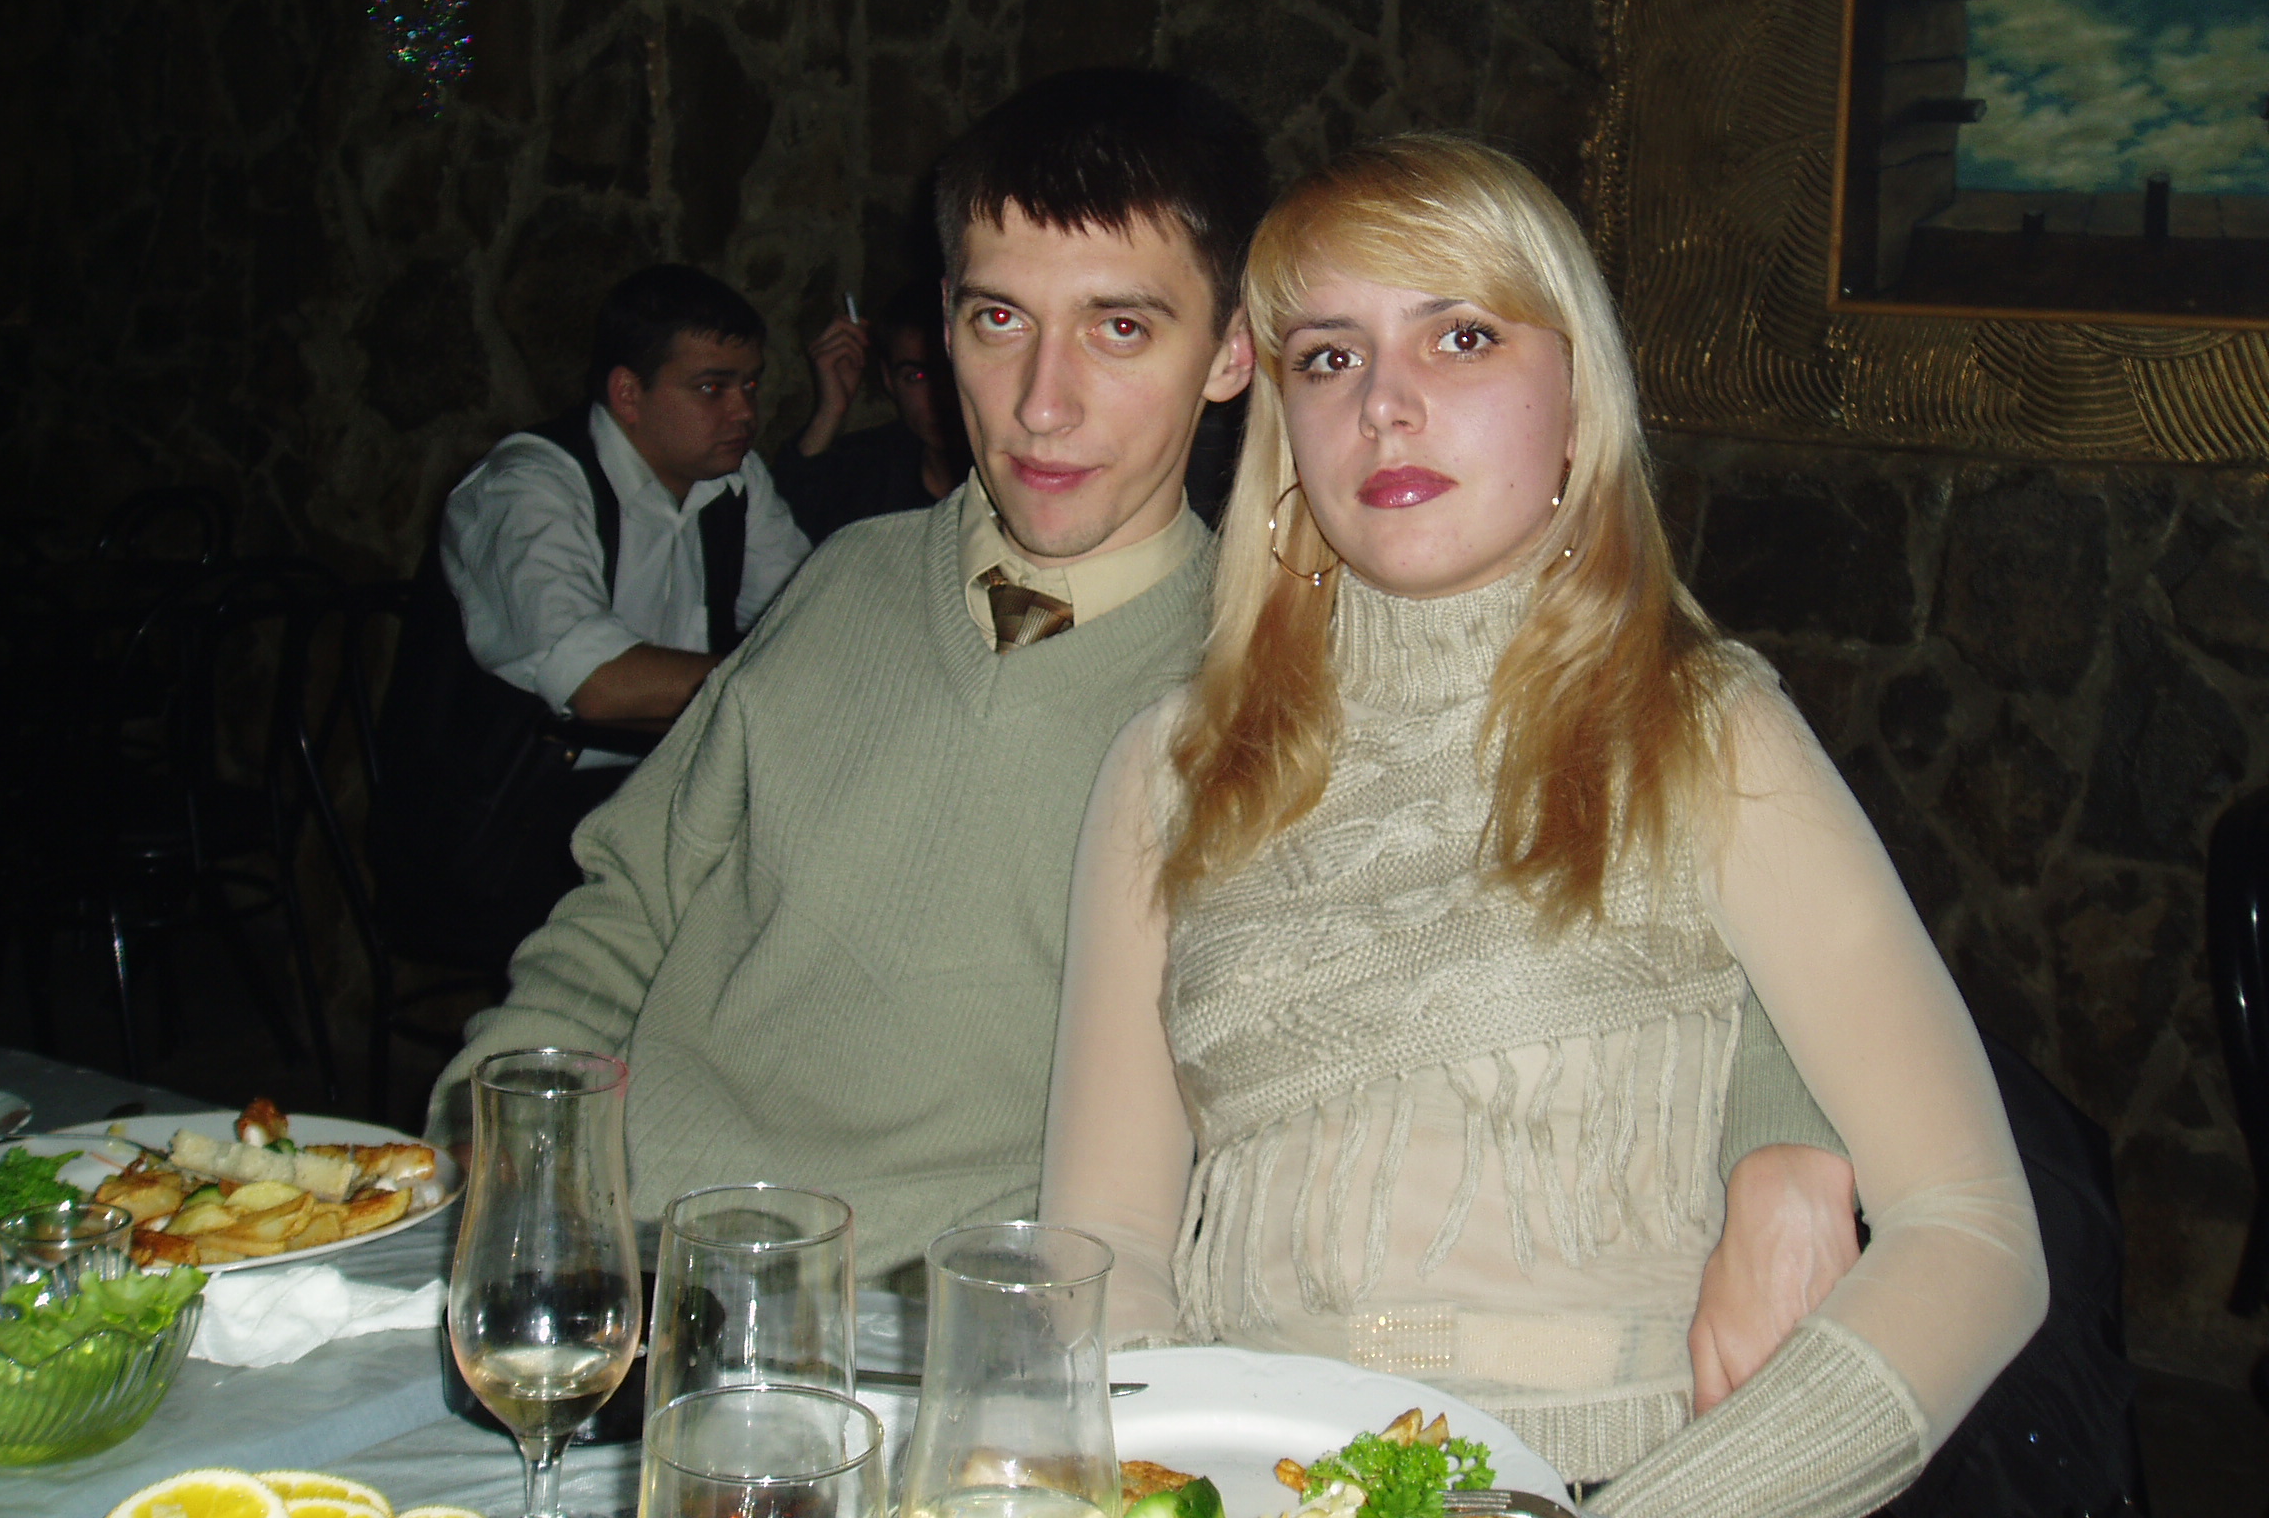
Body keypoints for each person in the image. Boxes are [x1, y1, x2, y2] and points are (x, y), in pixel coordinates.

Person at [422, 75, 1858, 1327]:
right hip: (612, 1260)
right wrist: (503, 1135)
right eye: (999, 320)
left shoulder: (1285, 685)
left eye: (1119, 327)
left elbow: (1661, 864)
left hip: (924, 1332)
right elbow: (628, 905)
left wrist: (1783, 1141)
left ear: (1232, 355)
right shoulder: (845, 581)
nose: (1041, 402)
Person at [1039, 136, 2046, 1515]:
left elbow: (1973, 1231)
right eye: (1328, 357)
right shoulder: (1171, 769)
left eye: (1461, 337)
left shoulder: (1700, 729)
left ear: (1578, 407)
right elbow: (1102, 1247)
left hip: (1614, 1474)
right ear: (1282, 431)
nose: (1385, 405)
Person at [373, 266, 809, 968]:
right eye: (712, 387)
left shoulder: (735, 479)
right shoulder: (525, 485)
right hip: (503, 827)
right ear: (628, 394)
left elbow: (808, 618)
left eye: (751, 385)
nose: (744, 413)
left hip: (646, 801)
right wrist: (789, 681)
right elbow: (599, 683)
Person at [774, 281, 970, 543]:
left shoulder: (1016, 474)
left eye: (952, 373)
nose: (939, 396)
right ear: (889, 380)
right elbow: (781, 530)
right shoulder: (869, 471)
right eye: (917, 377)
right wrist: (830, 411)